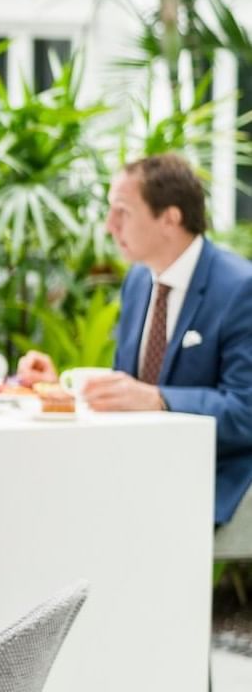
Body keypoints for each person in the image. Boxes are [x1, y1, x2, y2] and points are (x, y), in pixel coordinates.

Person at [17, 153, 252, 524]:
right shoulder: (139, 281)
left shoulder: (240, 288)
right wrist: (62, 389)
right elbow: (129, 389)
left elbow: (245, 412)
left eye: (122, 211)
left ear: (169, 219)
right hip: (131, 464)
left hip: (204, 477)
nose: (110, 226)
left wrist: (158, 398)